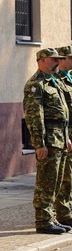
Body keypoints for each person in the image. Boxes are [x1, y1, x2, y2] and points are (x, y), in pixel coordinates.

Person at [24, 47, 72, 234]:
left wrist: (66, 137)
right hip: (49, 140)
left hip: (60, 137)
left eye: (59, 59)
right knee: (46, 182)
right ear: (42, 60)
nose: (57, 62)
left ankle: (52, 218)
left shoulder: (54, 82)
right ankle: (43, 221)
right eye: (54, 59)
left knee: (57, 182)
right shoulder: (36, 84)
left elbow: (64, 114)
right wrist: (39, 144)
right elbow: (34, 116)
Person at [53, 45, 72, 230]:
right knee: (65, 176)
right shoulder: (56, 80)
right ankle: (64, 214)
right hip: (64, 133)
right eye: (71, 58)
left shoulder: (69, 78)